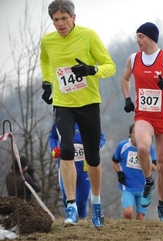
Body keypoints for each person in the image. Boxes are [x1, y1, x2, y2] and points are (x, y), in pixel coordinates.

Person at [39, 0, 116, 228]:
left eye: (64, 18)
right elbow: (44, 60)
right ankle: (71, 206)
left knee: (92, 157)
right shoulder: (48, 41)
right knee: (67, 150)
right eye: (56, 20)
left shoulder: (88, 36)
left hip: (89, 103)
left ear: (74, 18)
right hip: (63, 104)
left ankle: (97, 201)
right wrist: (47, 83)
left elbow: (110, 66)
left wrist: (92, 70)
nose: (60, 24)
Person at [121, 22, 163, 221]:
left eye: (141, 36)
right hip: (144, 115)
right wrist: (128, 98)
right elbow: (125, 79)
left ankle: (162, 205)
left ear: (151, 38)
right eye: (136, 37)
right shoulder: (133, 58)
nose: (137, 41)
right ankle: (149, 181)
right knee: (142, 149)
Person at [49, 122, 106, 219]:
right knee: (66, 196)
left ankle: (82, 220)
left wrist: (97, 145)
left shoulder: (86, 120)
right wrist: (54, 149)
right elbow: (52, 137)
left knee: (81, 201)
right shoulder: (62, 120)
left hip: (83, 167)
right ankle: (70, 218)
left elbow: (101, 137)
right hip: (65, 166)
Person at [111, 123, 157, 220]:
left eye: (139, 133)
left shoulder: (149, 148)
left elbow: (154, 168)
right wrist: (119, 173)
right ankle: (125, 232)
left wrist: (144, 158)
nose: (136, 135)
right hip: (127, 187)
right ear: (130, 134)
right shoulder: (122, 146)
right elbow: (114, 161)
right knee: (128, 213)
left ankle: (137, 234)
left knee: (140, 217)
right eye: (134, 132)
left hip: (143, 188)